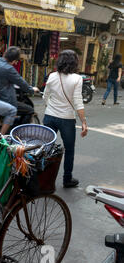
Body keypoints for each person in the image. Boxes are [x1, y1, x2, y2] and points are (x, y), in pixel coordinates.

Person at [42, 50, 88, 188]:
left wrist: (50, 108)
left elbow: (45, 96)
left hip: (49, 116)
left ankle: (41, 176)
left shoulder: (52, 76)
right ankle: (67, 179)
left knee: (45, 147)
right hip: (67, 119)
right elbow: (78, 102)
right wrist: (83, 121)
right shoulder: (77, 79)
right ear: (75, 62)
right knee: (69, 149)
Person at [0, 46, 39, 124]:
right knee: (29, 110)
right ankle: (18, 131)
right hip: (5, 99)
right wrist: (31, 90)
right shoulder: (9, 69)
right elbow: (21, 82)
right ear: (14, 60)